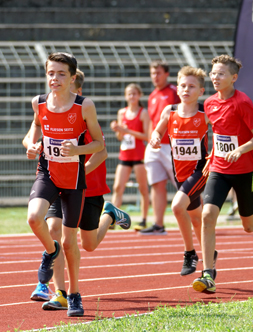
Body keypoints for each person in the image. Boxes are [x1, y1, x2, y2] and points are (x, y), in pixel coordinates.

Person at [25, 53, 130, 317]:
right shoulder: (38, 103)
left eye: (61, 74)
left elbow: (100, 145)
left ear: (73, 78)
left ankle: (72, 295)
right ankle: (52, 251)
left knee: (73, 243)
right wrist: (31, 145)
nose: (54, 78)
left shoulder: (84, 106)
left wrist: (78, 149)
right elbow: (32, 131)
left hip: (74, 181)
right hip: (47, 174)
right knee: (34, 218)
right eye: (50, 73)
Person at [192, 55, 253, 294]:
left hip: (244, 169)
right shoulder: (209, 103)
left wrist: (240, 150)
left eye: (221, 74)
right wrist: (211, 157)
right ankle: (208, 273)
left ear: (233, 77)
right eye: (213, 73)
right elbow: (219, 135)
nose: (215, 77)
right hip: (220, 168)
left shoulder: (242, 102)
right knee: (208, 215)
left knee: (249, 225)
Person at [150, 66, 218, 276]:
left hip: (200, 170)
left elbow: (220, 133)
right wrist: (154, 137)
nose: (186, 89)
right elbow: (159, 130)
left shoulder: (204, 112)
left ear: (201, 91)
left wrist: (215, 155)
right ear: (177, 89)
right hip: (180, 172)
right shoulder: (169, 111)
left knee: (177, 206)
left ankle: (190, 253)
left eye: (192, 86)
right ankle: (210, 254)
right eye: (183, 85)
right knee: (196, 219)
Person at [140, 60, 181, 235]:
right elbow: (152, 122)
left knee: (185, 185)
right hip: (154, 147)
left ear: (166, 74)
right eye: (152, 73)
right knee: (156, 185)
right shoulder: (152, 96)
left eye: (158, 73)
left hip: (172, 146)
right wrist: (149, 143)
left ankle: (203, 220)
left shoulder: (174, 92)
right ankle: (158, 224)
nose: (155, 77)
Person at [110, 83, 150, 230]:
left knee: (143, 188)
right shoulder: (121, 113)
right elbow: (120, 137)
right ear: (126, 96)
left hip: (139, 155)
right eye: (129, 94)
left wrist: (128, 131)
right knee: (117, 187)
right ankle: (112, 220)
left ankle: (144, 219)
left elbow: (147, 136)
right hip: (125, 154)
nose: (131, 96)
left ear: (139, 95)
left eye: (134, 93)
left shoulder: (143, 113)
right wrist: (117, 129)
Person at [227, 108, 253, 219]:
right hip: (230, 153)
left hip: (246, 154)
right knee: (227, 179)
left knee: (249, 222)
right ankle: (234, 203)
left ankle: (238, 203)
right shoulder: (228, 107)